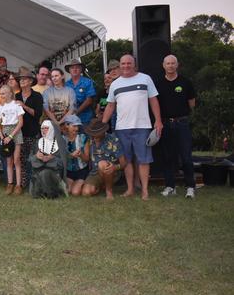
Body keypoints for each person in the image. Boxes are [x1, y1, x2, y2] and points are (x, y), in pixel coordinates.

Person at [102, 54, 163, 200]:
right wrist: (102, 124)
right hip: (121, 128)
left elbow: (153, 100)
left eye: (129, 63)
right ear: (119, 66)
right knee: (127, 161)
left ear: (134, 64)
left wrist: (158, 120)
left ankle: (145, 191)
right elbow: (110, 106)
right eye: (123, 64)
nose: (126, 66)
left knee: (143, 160)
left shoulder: (145, 78)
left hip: (142, 126)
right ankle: (130, 189)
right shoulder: (115, 84)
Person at [156, 55, 197, 198]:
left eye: (173, 63)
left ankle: (190, 187)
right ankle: (170, 186)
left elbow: (192, 103)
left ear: (177, 65)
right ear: (163, 65)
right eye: (168, 63)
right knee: (167, 157)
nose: (171, 66)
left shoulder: (186, 82)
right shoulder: (158, 84)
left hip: (182, 123)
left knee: (186, 156)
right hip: (166, 124)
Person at [81, 119, 127, 200]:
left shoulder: (113, 140)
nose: (94, 136)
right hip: (95, 173)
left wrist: (114, 167)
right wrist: (80, 155)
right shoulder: (90, 140)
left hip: (111, 172)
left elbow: (124, 163)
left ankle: (109, 191)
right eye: (92, 133)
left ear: (103, 132)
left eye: (96, 134)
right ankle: (101, 186)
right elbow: (86, 159)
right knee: (86, 193)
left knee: (102, 164)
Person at [15, 67, 43, 190]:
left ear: (31, 81)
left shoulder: (37, 96)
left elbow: (37, 114)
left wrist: (24, 106)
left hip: (33, 132)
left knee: (34, 159)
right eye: (20, 79)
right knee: (22, 160)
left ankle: (35, 184)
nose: (21, 81)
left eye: (24, 79)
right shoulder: (16, 96)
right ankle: (23, 184)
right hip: (19, 133)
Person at [0, 85, 25, 194]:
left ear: (10, 93)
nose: (1, 95)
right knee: (9, 160)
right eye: (0, 93)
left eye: (3, 93)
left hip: (16, 132)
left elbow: (20, 122)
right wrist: (2, 136)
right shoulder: (0, 107)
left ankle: (18, 185)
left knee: (16, 159)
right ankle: (10, 183)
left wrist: (11, 136)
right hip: (5, 132)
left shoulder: (16, 105)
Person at [29, 120, 67, 199]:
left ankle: (51, 193)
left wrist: (52, 158)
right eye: (42, 128)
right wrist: (36, 156)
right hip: (38, 171)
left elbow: (63, 162)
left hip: (55, 173)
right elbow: (30, 159)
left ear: (52, 129)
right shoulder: (38, 142)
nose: (43, 130)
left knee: (45, 173)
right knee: (40, 174)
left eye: (46, 128)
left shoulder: (60, 142)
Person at [62, 115, 90, 196]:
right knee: (68, 191)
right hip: (68, 171)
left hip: (81, 171)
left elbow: (87, 159)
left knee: (75, 192)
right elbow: (60, 159)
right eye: (74, 126)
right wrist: (70, 156)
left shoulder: (83, 138)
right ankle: (76, 184)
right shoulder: (62, 139)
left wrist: (81, 155)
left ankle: (84, 184)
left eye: (78, 126)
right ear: (67, 125)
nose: (76, 128)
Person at [65, 58, 96, 127]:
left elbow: (89, 100)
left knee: (86, 137)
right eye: (72, 68)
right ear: (69, 70)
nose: (75, 69)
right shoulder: (66, 84)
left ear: (81, 69)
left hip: (86, 118)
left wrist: (76, 112)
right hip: (70, 119)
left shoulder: (88, 82)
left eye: (77, 67)